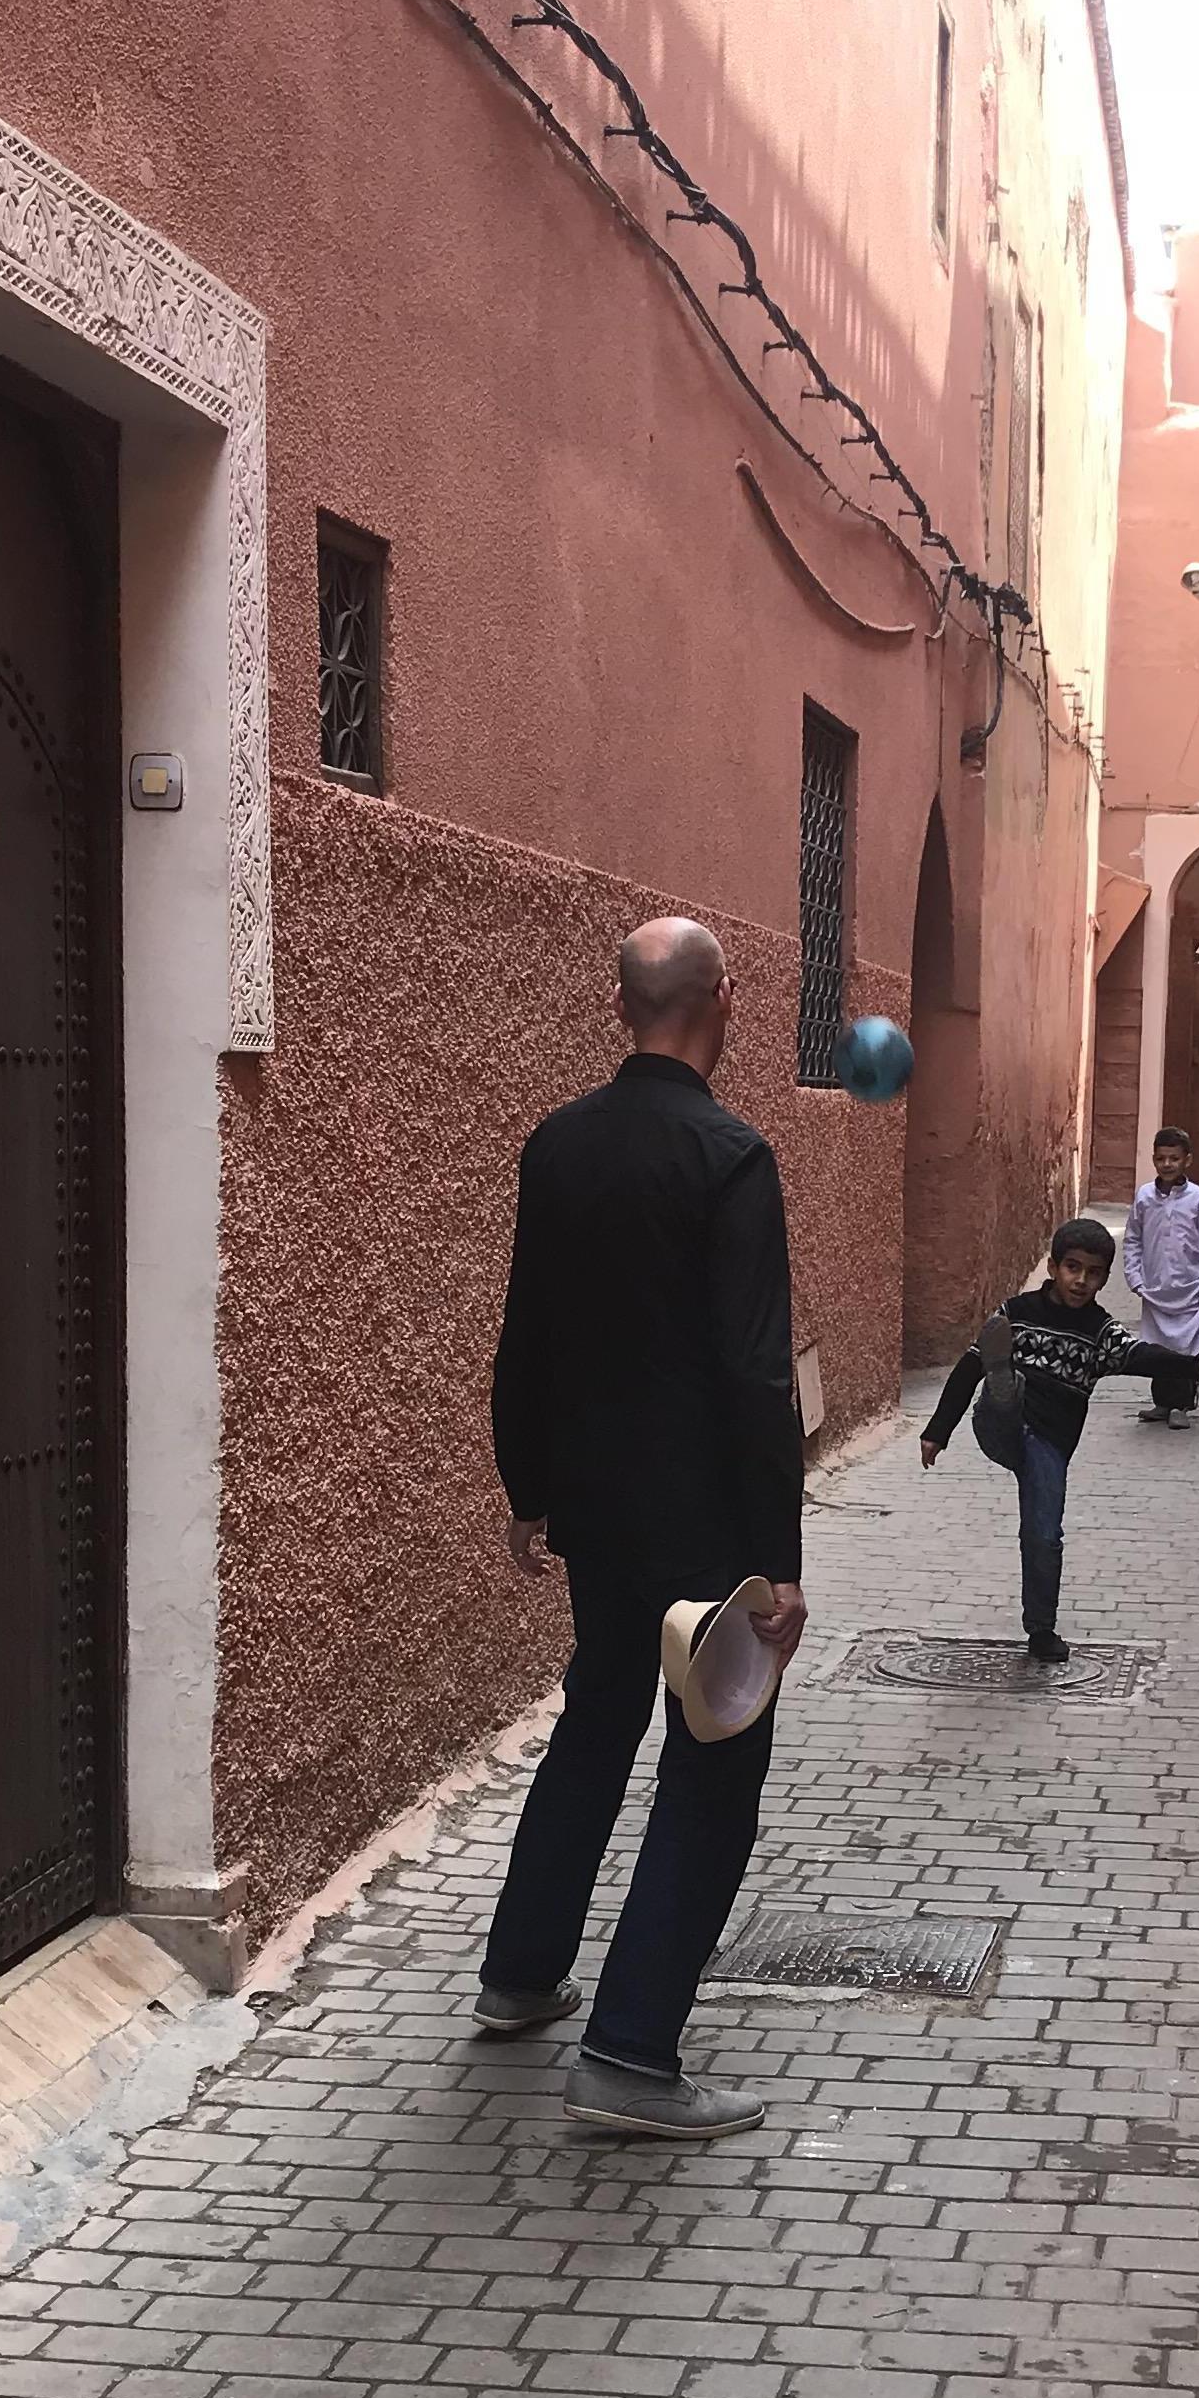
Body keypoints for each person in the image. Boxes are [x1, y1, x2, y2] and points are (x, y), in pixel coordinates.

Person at [480, 916, 809, 2141]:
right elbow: (753, 1374)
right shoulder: (732, 1157)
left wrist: (527, 1487)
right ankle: (628, 2053)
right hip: (702, 1530)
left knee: (600, 1718)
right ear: (723, 1001)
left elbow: (527, 1331)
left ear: (623, 1010)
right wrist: (774, 1564)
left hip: (599, 1519)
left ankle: (520, 1974)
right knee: (716, 1765)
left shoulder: (557, 1144)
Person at [919, 1216, 1199, 1662]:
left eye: (1092, 1273)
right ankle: (1004, 1386)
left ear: (1104, 1278)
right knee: (998, 1392)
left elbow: (1139, 1354)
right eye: (1072, 1267)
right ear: (1053, 1267)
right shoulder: (1016, 1313)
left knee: (1044, 1535)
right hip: (1000, 1426)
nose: (1081, 1280)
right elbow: (965, 1369)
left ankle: (1041, 1631)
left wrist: (1195, 1367)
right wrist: (938, 1430)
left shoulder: (1099, 1332)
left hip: (1050, 1443)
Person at [1117, 1125, 1199, 1421]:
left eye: (1174, 1159)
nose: (1167, 1164)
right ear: (1153, 1159)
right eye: (1161, 1158)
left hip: (1190, 1289)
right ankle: (1162, 1403)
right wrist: (1135, 1278)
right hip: (1155, 1290)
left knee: (1187, 1350)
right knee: (1158, 1350)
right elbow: (1132, 1238)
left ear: (1186, 1160)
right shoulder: (1144, 1197)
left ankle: (1183, 1406)